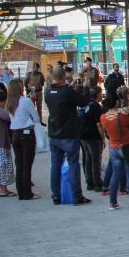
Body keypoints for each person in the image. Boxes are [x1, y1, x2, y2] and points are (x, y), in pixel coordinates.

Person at [45, 67, 91, 205]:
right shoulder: (66, 91)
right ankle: (76, 197)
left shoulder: (47, 91)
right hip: (69, 134)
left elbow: (62, 97)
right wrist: (85, 88)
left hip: (54, 134)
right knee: (73, 165)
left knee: (55, 165)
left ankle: (56, 196)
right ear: (64, 76)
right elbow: (83, 101)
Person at [5, 79, 39, 200]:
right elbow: (36, 118)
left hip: (14, 134)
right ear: (20, 89)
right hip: (26, 134)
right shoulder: (26, 101)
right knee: (27, 164)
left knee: (19, 164)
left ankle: (21, 193)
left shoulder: (9, 103)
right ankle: (27, 193)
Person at [79, 86, 105, 193]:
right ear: (97, 94)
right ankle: (98, 183)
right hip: (93, 137)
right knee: (96, 160)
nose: (102, 95)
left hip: (83, 136)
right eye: (100, 93)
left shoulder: (87, 106)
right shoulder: (96, 107)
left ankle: (89, 182)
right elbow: (99, 124)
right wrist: (103, 138)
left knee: (88, 159)